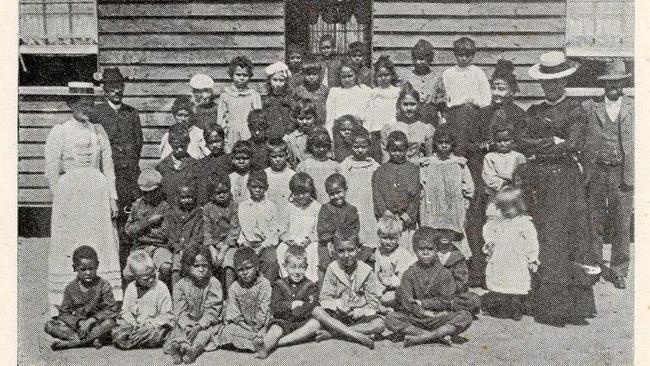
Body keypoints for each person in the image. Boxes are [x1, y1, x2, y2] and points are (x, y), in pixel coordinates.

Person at [521, 51, 599, 326]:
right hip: (541, 182)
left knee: (568, 239)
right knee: (545, 240)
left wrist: (553, 143)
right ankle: (547, 305)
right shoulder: (534, 111)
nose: (551, 87)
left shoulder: (577, 110)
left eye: (556, 81)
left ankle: (573, 308)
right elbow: (524, 142)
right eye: (546, 82)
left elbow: (574, 144)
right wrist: (550, 141)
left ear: (564, 81)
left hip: (567, 182)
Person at [45, 82, 122, 314]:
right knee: (72, 241)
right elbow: (51, 169)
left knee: (100, 239)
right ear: (71, 105)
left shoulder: (98, 131)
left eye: (89, 104)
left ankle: (106, 300)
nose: (86, 109)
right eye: (81, 104)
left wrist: (112, 197)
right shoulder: (60, 131)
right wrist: (60, 198)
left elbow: (108, 166)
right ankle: (66, 301)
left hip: (97, 194)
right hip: (70, 195)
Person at [465, 59, 528, 288]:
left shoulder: (520, 116)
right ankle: (480, 271)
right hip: (484, 176)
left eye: (502, 88)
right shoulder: (481, 114)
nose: (498, 93)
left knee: (509, 223)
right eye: (495, 88)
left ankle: (510, 274)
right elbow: (469, 145)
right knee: (481, 223)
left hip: (510, 178)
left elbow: (524, 147)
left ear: (511, 90)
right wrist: (483, 147)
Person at [583, 59, 634, 289]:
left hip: (622, 172)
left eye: (619, 82)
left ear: (624, 83)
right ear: (604, 84)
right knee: (594, 219)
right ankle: (593, 267)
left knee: (622, 222)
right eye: (610, 82)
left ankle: (619, 270)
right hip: (596, 171)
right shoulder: (590, 108)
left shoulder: (634, 108)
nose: (614, 86)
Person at [90, 67, 143, 274]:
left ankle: (127, 267)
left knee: (127, 220)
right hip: (107, 176)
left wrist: (128, 163)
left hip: (129, 176)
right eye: (112, 87)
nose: (116, 91)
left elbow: (138, 142)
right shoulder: (97, 113)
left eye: (119, 86)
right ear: (104, 89)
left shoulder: (131, 113)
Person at [384, 227, 474, 347]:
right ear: (415, 250)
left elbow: (446, 301)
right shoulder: (409, 274)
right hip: (416, 319)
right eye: (421, 249)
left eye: (430, 249)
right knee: (390, 318)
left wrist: (424, 304)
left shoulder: (444, 274)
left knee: (465, 316)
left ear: (437, 249)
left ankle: (423, 337)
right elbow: (407, 302)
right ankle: (436, 336)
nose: (426, 253)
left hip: (438, 317)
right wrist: (423, 312)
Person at [312, 234, 386, 349]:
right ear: (334, 250)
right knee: (317, 311)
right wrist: (337, 304)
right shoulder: (332, 269)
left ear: (359, 249)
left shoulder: (366, 271)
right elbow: (325, 298)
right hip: (337, 316)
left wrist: (359, 311)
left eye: (351, 250)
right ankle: (356, 335)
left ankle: (333, 334)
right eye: (341, 251)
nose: (346, 255)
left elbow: (373, 303)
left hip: (358, 318)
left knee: (380, 324)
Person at [44, 245, 118, 350]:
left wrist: (92, 320)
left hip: (97, 325)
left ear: (97, 266)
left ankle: (73, 343)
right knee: (50, 325)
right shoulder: (71, 288)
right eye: (83, 269)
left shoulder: (103, 285)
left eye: (91, 268)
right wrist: (78, 322)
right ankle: (91, 340)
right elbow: (64, 313)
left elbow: (112, 309)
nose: (88, 272)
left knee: (110, 323)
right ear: (75, 268)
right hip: (79, 328)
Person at [481, 187, 539, 320]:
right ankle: (502, 308)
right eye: (503, 208)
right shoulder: (499, 222)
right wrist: (490, 243)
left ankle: (516, 308)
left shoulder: (524, 223)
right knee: (501, 283)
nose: (506, 211)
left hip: (517, 259)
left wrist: (532, 257)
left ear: (519, 206)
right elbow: (489, 231)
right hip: (501, 258)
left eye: (509, 207)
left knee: (516, 284)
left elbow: (532, 241)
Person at [256, 246, 321, 359]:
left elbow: (311, 305)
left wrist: (300, 310)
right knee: (275, 329)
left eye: (301, 267)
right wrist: (291, 305)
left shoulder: (310, 286)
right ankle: (265, 348)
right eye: (293, 267)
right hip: (283, 321)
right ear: (285, 267)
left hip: (302, 322)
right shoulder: (279, 285)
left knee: (315, 324)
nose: (297, 272)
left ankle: (280, 342)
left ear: (306, 267)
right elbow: (275, 306)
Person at [419, 126, 474, 259]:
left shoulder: (459, 164)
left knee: (454, 238)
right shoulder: (428, 164)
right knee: (433, 238)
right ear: (435, 143)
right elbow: (422, 186)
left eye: (447, 143)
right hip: (433, 208)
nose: (444, 145)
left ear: (452, 144)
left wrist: (465, 208)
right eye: (440, 142)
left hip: (453, 208)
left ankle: (456, 264)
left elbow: (468, 188)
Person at [164, 245, 224, 364]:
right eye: (196, 266)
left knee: (204, 335)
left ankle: (193, 350)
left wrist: (199, 326)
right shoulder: (180, 285)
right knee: (179, 331)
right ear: (187, 266)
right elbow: (180, 311)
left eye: (204, 265)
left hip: (206, 323)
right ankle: (177, 348)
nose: (201, 269)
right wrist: (187, 325)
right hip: (187, 322)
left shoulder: (213, 283)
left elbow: (212, 311)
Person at [434, 37, 492, 156]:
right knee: (458, 146)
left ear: (473, 55)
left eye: (467, 55)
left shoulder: (478, 73)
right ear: (455, 54)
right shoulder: (448, 74)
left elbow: (486, 99)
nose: (464, 58)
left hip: (476, 115)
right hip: (454, 115)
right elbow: (442, 98)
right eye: (460, 55)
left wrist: (477, 104)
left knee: (474, 148)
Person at [214, 247, 272, 353]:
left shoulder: (264, 284)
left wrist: (257, 325)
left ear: (257, 267)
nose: (244, 273)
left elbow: (265, 308)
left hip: (262, 324)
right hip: (244, 326)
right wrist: (245, 327)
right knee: (226, 331)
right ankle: (254, 342)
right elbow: (234, 312)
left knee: (269, 329)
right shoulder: (234, 287)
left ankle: (256, 341)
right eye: (240, 270)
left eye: (248, 268)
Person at [112, 250, 173, 350]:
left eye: (153, 275)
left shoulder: (161, 287)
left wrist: (151, 324)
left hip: (153, 327)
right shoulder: (131, 288)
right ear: (135, 277)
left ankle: (134, 341)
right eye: (145, 278)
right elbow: (125, 311)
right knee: (117, 329)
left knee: (160, 333)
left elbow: (167, 315)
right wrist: (133, 323)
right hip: (136, 326)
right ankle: (137, 340)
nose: (151, 280)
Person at [372, 131, 421, 253]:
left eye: (401, 150)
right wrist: (386, 213)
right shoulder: (380, 171)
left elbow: (415, 197)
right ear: (388, 150)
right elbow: (377, 195)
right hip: (386, 221)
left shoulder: (412, 170)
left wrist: (406, 216)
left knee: (405, 253)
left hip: (405, 223)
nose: (397, 154)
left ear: (406, 150)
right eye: (393, 150)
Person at [124, 169, 173, 285]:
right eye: (144, 193)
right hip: (140, 247)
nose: (147, 195)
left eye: (151, 192)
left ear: (158, 190)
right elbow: (129, 230)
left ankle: (157, 291)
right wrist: (148, 222)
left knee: (166, 267)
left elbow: (164, 234)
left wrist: (140, 232)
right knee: (128, 274)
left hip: (159, 247)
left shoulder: (165, 207)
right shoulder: (137, 206)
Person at [340, 128, 381, 262]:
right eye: (356, 146)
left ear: (369, 146)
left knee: (369, 234)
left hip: (368, 205)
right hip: (352, 203)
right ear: (350, 146)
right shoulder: (345, 166)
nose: (360, 150)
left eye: (363, 146)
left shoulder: (374, 166)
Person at [237, 169, 281, 282]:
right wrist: (244, 244)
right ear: (248, 187)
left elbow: (274, 231)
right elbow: (241, 228)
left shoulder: (271, 206)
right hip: (248, 245)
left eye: (261, 187)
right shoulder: (243, 206)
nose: (257, 190)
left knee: (271, 259)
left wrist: (263, 246)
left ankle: (266, 289)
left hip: (265, 245)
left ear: (266, 188)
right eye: (254, 186)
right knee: (241, 260)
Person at [277, 172, 321, 283]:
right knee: (281, 250)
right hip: (291, 242)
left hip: (308, 242)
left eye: (305, 192)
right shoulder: (288, 206)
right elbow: (282, 229)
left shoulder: (316, 206)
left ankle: (310, 283)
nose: (301, 196)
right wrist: (288, 240)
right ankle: (288, 281)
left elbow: (318, 230)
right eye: (297, 193)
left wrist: (309, 239)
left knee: (313, 251)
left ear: (310, 191)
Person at [317, 173, 361, 281]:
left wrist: (341, 241)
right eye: (332, 194)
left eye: (339, 192)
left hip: (345, 243)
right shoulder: (325, 209)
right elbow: (322, 229)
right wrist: (328, 242)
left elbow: (354, 230)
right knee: (325, 262)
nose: (336, 196)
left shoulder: (351, 210)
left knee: (349, 260)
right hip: (328, 243)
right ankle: (323, 289)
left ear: (345, 190)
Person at [202, 174, 241, 292]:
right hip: (212, 245)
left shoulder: (234, 206)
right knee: (205, 261)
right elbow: (206, 230)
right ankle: (211, 294)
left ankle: (230, 297)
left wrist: (223, 250)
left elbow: (235, 229)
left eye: (225, 191)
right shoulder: (208, 208)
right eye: (218, 193)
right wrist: (212, 249)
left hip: (229, 245)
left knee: (229, 263)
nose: (222, 195)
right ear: (211, 194)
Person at [217, 55, 263, 153]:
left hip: (248, 133)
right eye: (238, 74)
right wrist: (223, 140)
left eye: (245, 75)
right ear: (231, 75)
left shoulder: (254, 95)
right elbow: (221, 120)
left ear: (250, 76)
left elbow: (258, 118)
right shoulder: (225, 95)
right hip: (231, 134)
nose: (241, 78)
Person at [381, 82, 435, 163]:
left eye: (412, 104)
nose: (409, 108)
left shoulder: (426, 128)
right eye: (405, 104)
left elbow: (430, 157)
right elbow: (385, 158)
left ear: (418, 105)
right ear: (399, 105)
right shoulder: (390, 129)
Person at [434, 228, 481, 314]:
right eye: (441, 232)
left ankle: (446, 306)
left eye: (449, 232)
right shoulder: (430, 253)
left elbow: (461, 282)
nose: (445, 236)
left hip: (452, 295)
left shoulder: (458, 257)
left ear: (454, 235)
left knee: (474, 300)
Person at [374, 215, 416, 311]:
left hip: (398, 288)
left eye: (392, 238)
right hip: (383, 287)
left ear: (399, 236)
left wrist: (386, 283)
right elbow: (377, 273)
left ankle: (388, 308)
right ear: (379, 235)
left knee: (386, 298)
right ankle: (381, 308)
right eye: (384, 238)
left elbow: (402, 280)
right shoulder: (378, 252)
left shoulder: (402, 254)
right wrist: (378, 289)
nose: (388, 242)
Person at [167, 184, 204, 285]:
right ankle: (177, 295)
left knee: (194, 265)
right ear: (177, 198)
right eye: (183, 197)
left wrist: (187, 249)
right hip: (177, 250)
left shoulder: (198, 214)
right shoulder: (172, 213)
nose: (186, 200)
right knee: (177, 266)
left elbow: (198, 236)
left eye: (189, 197)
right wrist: (178, 249)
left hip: (193, 249)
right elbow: (171, 235)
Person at [156, 123, 201, 208]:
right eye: (176, 146)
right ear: (170, 143)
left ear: (188, 142)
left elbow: (200, 194)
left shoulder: (196, 166)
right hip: (168, 213)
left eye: (183, 146)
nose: (180, 150)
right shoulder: (161, 167)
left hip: (189, 212)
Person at [366, 55, 401, 162]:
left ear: (392, 75)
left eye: (386, 75)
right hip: (376, 130)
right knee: (378, 157)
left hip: (392, 129)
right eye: (380, 75)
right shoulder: (373, 92)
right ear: (376, 76)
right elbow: (369, 112)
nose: (383, 78)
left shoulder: (397, 91)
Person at [325, 58, 372, 136]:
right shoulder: (334, 92)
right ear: (339, 77)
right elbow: (329, 118)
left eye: (350, 76)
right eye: (343, 77)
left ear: (356, 75)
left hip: (359, 133)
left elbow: (368, 117)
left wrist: (366, 135)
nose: (347, 80)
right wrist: (330, 137)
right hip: (339, 133)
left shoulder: (364, 91)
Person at [482, 122, 527, 198]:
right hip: (496, 194)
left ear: (512, 140)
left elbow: (523, 174)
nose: (502, 144)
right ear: (494, 142)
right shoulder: (490, 157)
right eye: (499, 141)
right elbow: (489, 177)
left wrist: (518, 183)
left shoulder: (518, 156)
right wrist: (506, 183)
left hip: (515, 194)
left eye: (506, 140)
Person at [296, 128, 341, 204]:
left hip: (331, 203)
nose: (321, 149)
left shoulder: (335, 166)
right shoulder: (304, 165)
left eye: (324, 146)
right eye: (317, 146)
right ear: (310, 146)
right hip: (310, 204)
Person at [401, 39, 439, 125]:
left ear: (429, 59)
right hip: (411, 119)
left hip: (430, 120)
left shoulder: (436, 78)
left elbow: (440, 102)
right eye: (415, 59)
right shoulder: (408, 78)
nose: (418, 62)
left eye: (422, 59)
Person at [159, 95, 209, 160]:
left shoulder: (199, 134)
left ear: (191, 116)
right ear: (174, 116)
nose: (183, 119)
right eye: (179, 115)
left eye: (186, 115)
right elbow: (164, 159)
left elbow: (208, 158)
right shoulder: (169, 135)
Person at [195, 122, 231, 205]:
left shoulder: (230, 160)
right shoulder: (202, 163)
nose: (214, 145)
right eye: (211, 142)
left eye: (218, 141)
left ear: (223, 139)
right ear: (206, 143)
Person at [264, 138, 296, 228]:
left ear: (287, 155)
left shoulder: (292, 175)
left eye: (281, 156)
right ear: (268, 156)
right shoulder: (264, 175)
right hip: (269, 219)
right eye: (274, 157)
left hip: (288, 219)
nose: (277, 159)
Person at [291, 54, 329, 125]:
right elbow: (294, 110)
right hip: (304, 124)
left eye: (314, 74)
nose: (311, 77)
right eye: (308, 74)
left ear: (319, 74)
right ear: (303, 75)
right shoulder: (298, 91)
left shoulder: (325, 90)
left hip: (321, 125)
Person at [263, 61, 295, 140]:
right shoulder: (266, 99)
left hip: (287, 137)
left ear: (286, 82)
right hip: (270, 137)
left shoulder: (290, 99)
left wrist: (288, 133)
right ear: (269, 81)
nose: (277, 84)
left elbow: (294, 117)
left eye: (281, 80)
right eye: (275, 80)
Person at [284, 98, 318, 168]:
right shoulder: (291, 138)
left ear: (315, 117)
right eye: (301, 118)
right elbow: (288, 163)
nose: (305, 122)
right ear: (295, 118)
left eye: (308, 118)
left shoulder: (320, 134)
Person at [229, 140, 254, 204]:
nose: (241, 161)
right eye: (237, 158)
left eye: (245, 158)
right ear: (232, 159)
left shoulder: (254, 176)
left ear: (251, 159)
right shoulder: (229, 178)